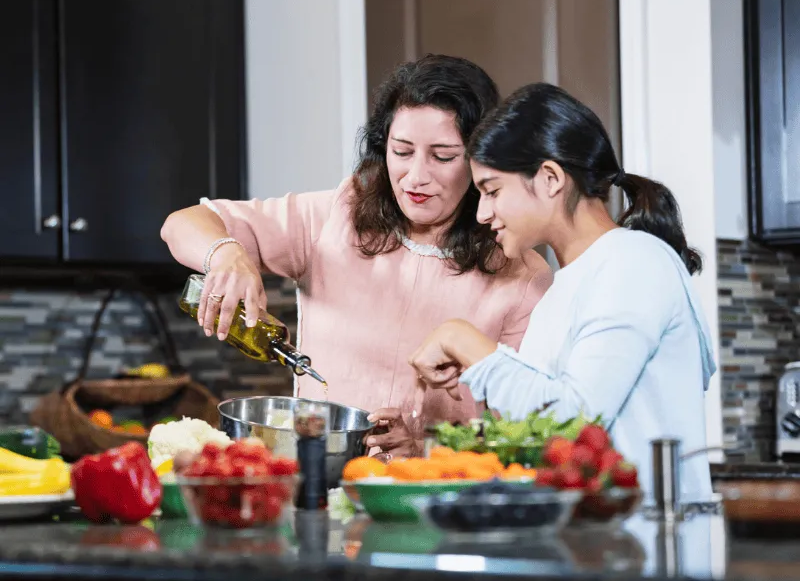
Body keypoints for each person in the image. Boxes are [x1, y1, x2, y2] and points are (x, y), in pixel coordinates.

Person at [161, 55, 552, 458]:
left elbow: (523, 435)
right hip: (319, 488)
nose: (416, 177)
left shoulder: (520, 276)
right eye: (402, 151)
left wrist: (424, 448)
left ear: (479, 161)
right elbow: (181, 224)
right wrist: (226, 253)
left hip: (435, 499)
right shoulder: (337, 215)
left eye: (443, 156)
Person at [409, 82, 715, 500]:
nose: (482, 213)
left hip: (646, 551)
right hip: (599, 546)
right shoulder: (568, 283)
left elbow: (573, 421)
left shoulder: (633, 262)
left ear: (551, 178)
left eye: (492, 190)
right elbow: (549, 434)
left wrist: (461, 337)